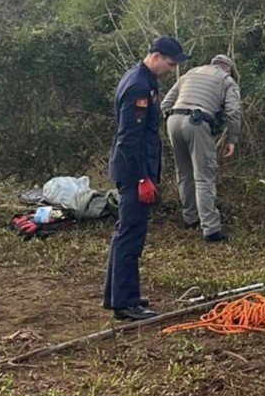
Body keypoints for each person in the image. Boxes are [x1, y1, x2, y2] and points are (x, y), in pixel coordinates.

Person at [103, 36, 191, 321]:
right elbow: (130, 138)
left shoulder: (143, 79)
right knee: (131, 235)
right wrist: (142, 178)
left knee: (126, 233)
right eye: (170, 62)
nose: (171, 68)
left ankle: (118, 295)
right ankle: (125, 303)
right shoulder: (138, 86)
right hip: (133, 171)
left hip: (135, 168)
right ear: (155, 55)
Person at [161, 54, 242, 242]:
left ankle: (190, 219)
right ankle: (211, 229)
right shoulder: (227, 80)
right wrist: (232, 138)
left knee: (184, 173)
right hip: (197, 122)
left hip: (173, 120)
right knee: (204, 177)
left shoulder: (189, 74)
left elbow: (165, 104)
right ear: (228, 69)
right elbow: (233, 110)